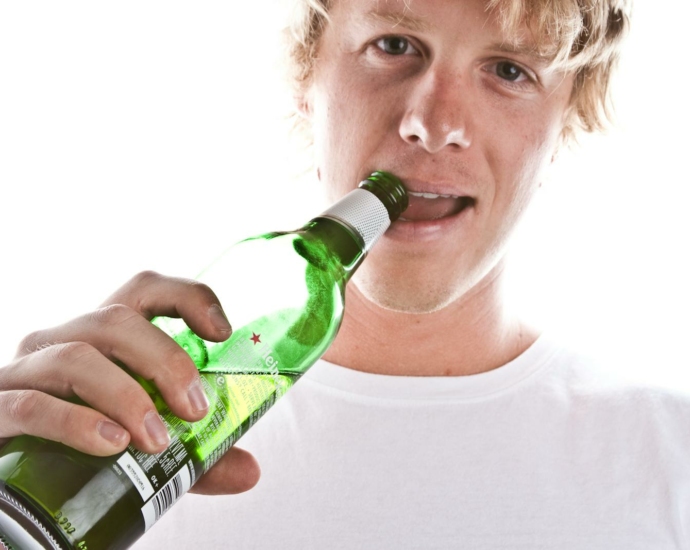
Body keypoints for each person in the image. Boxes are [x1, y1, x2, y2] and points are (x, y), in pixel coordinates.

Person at [2, 0, 688, 547]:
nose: (433, 123)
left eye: (510, 70)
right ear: (309, 76)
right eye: (394, 45)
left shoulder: (667, 461)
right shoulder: (133, 442)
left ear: (564, 119)